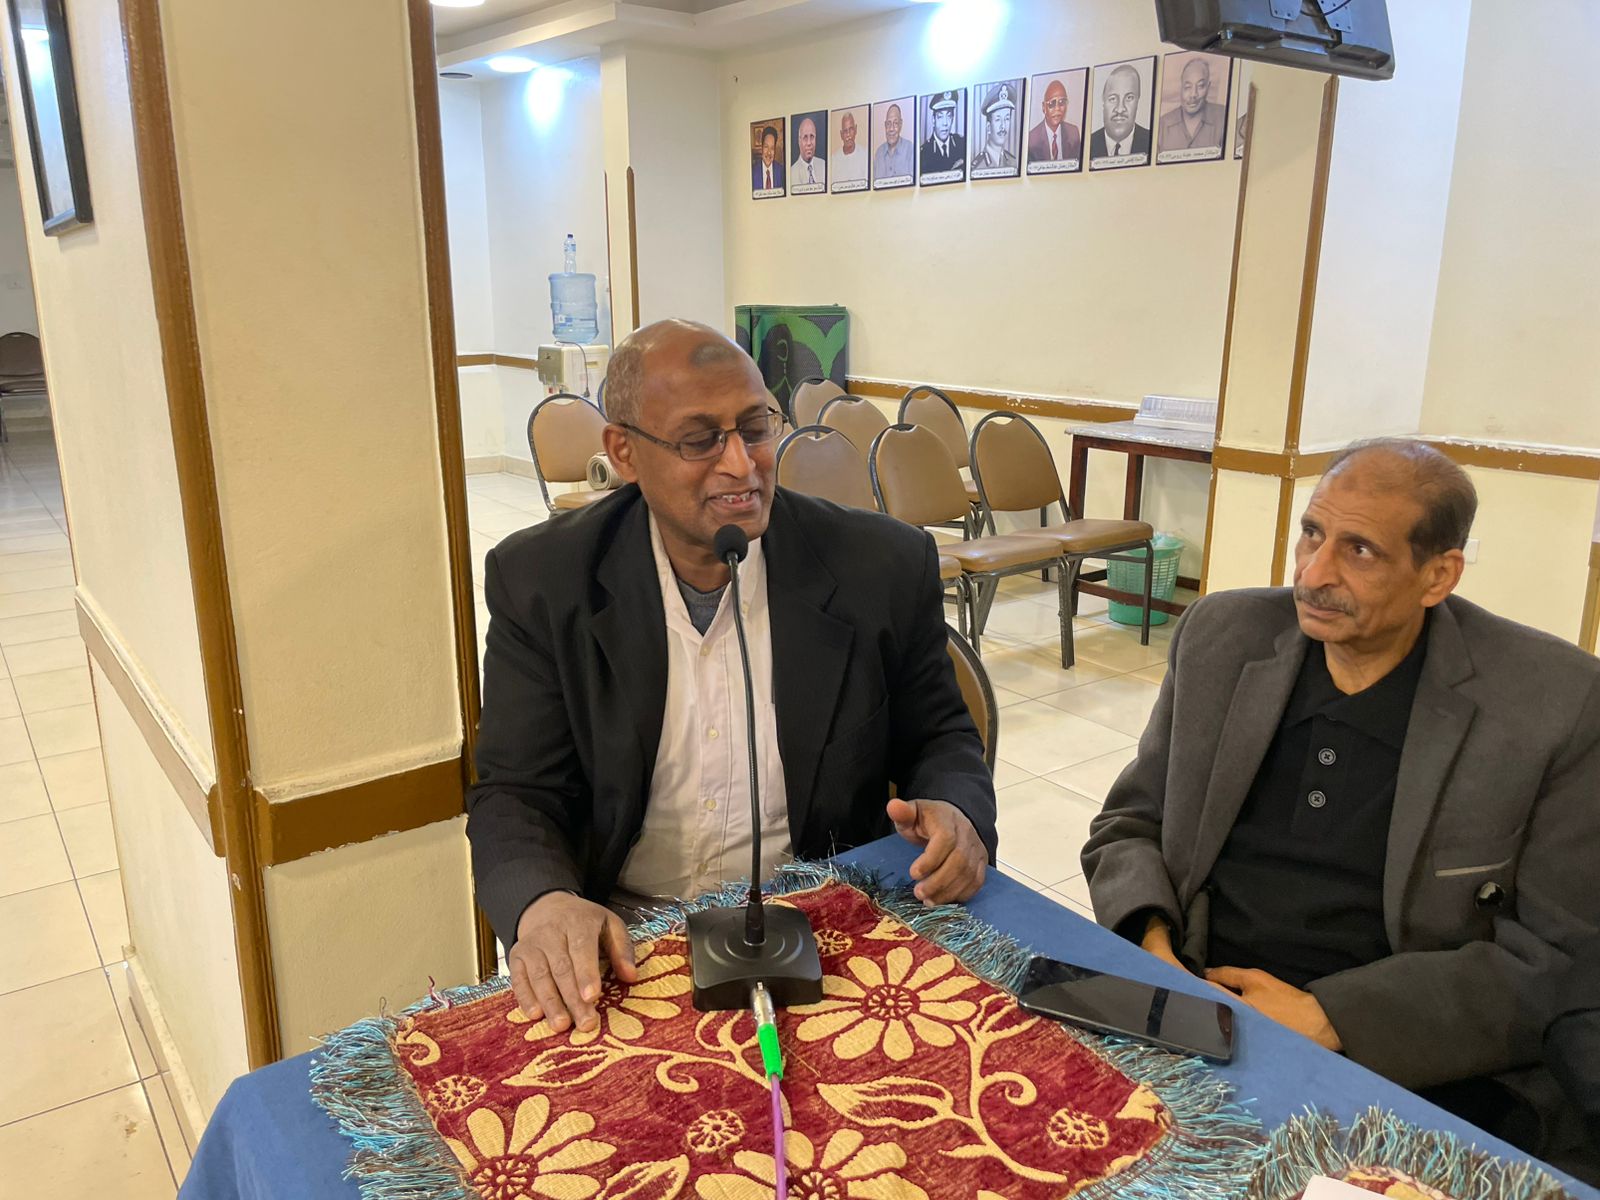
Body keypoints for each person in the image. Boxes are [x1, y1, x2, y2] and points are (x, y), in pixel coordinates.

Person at [469, 319, 998, 1036]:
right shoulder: (543, 579)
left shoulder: (880, 566)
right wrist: (543, 902)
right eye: (699, 440)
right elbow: (516, 792)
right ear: (623, 452)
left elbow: (941, 737)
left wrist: (957, 810)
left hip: (824, 928)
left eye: (755, 428)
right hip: (627, 943)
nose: (742, 465)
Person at [1082, 438, 1600, 1164]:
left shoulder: (1554, 702)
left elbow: (1558, 955)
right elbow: (1130, 823)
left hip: (1404, 1052)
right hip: (1195, 995)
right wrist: (1151, 945)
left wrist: (1332, 1017)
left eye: (1360, 551)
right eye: (1312, 533)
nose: (1313, 573)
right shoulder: (1223, 636)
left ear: (1438, 575)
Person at [1158, 58, 1226, 153]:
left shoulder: (1224, 117)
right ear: (1181, 88)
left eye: (1200, 86)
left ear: (1208, 87)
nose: (1193, 94)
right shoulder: (1163, 125)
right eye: (1188, 87)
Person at [1089, 63, 1150, 159]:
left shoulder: (1152, 141)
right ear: (1103, 101)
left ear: (1137, 101)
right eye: (1113, 98)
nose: (1120, 109)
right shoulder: (1087, 144)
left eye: (1129, 98)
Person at [1027, 78, 1082, 165]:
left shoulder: (1073, 133)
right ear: (1044, 107)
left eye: (1062, 102)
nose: (1057, 108)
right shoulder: (1032, 139)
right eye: (1052, 103)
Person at [972, 83, 1018, 171]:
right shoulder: (977, 167)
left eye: (1007, 119)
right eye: (998, 119)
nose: (1003, 126)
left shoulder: (1013, 162)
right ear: (988, 127)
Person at [920, 91, 965, 177]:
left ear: (952, 119)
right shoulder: (924, 153)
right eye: (940, 117)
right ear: (933, 120)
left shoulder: (961, 143)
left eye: (949, 116)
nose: (945, 123)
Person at [872, 102, 914, 181]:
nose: (891, 129)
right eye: (888, 123)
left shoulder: (910, 150)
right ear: (885, 125)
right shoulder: (878, 154)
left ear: (900, 124)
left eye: (895, 123)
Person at [833, 110, 867, 185]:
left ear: (855, 129)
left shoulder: (865, 156)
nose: (848, 135)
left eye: (851, 129)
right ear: (841, 134)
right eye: (845, 131)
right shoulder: (834, 160)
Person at [792, 116, 826, 188]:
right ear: (799, 141)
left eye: (812, 137)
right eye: (805, 137)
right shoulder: (792, 173)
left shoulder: (824, 165)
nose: (809, 143)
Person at [751, 126, 783, 192]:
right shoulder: (752, 172)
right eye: (766, 147)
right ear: (762, 148)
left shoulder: (781, 171)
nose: (769, 152)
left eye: (772, 148)